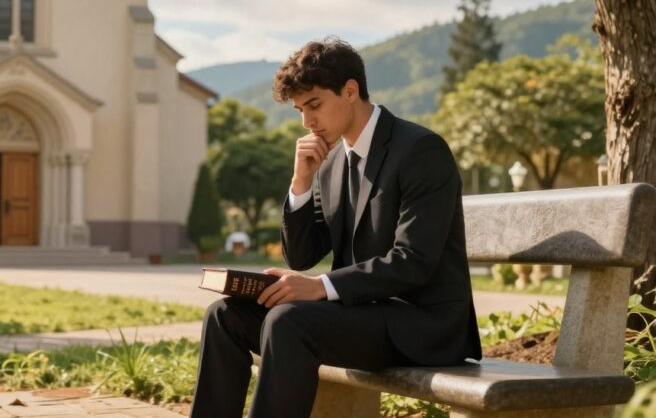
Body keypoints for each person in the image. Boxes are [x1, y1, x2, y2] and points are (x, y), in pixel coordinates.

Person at [189, 37, 482, 418]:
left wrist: (320, 288)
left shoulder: (420, 150)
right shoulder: (329, 164)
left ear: (350, 90)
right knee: (224, 315)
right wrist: (300, 185)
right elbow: (303, 255)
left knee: (288, 320)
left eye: (314, 105)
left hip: (422, 324)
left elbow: (414, 261)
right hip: (359, 315)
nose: (307, 122)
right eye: (299, 110)